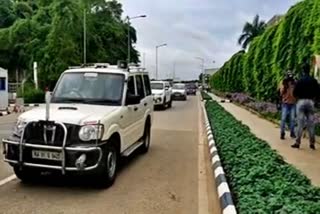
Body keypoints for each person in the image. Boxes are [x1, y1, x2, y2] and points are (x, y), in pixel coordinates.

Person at [291, 63, 320, 150]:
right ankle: (312, 143)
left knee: (300, 123)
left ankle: (297, 142)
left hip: (301, 101)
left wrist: (297, 99)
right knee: (311, 123)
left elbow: (294, 93)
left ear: (303, 70)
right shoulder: (313, 80)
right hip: (311, 102)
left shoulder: (300, 80)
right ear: (309, 70)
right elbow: (318, 91)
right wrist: (315, 99)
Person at [279, 71, 296, 140]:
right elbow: (280, 93)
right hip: (285, 103)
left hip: (292, 103)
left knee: (292, 119)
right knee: (283, 119)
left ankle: (292, 132)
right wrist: (284, 86)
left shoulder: (294, 84)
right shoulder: (283, 83)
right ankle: (282, 133)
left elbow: (295, 93)